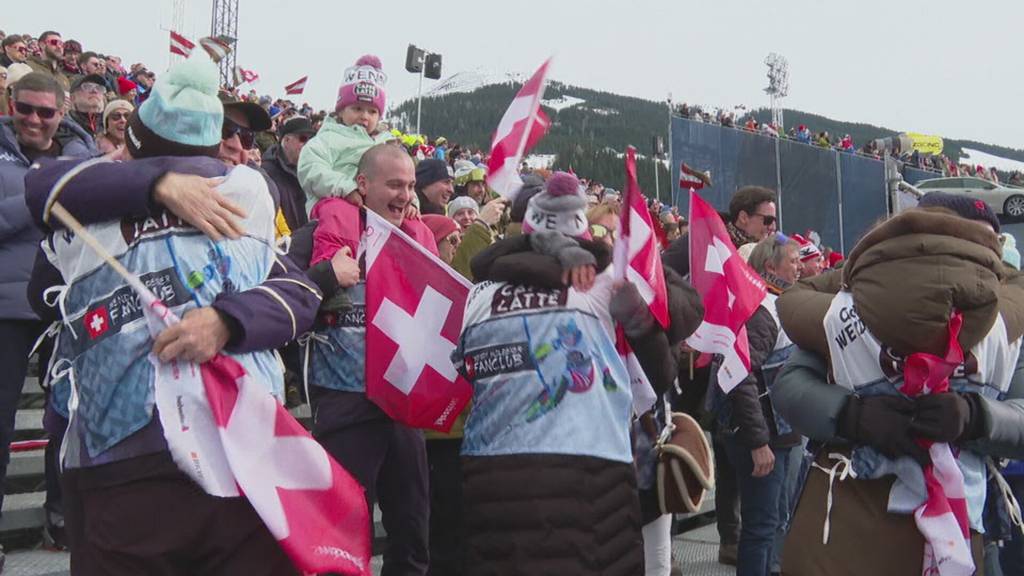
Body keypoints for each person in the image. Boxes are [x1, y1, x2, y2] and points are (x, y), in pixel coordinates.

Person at [24, 54, 321, 576]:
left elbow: (298, 292)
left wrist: (224, 321)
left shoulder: (80, 207)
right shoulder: (247, 192)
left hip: (149, 461)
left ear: (134, 141)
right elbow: (299, 292)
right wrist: (158, 183)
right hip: (199, 459)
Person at [455, 171, 693, 576]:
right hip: (590, 472)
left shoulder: (478, 294)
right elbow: (664, 367)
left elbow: (468, 370)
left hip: (492, 474)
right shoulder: (604, 285)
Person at [773, 194, 1024, 575]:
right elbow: (790, 386)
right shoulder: (847, 306)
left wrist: (977, 417)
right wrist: (850, 414)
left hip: (970, 522)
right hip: (852, 515)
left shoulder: (1006, 323)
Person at [302, 142, 434, 576]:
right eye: (394, 184)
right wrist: (324, 277)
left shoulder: (416, 237)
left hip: (402, 405)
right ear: (362, 183)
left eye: (410, 186)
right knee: (340, 538)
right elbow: (288, 297)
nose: (405, 195)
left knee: (412, 533)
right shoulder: (322, 231)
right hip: (345, 403)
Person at [0, 72, 95, 567]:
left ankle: (62, 519)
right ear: (10, 104)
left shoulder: (84, 158)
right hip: (8, 308)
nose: (34, 119)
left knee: (69, 420)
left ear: (62, 113)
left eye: (45, 112)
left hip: (66, 306)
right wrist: (49, 193)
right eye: (25, 109)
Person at [707, 234, 801, 576]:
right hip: (763, 438)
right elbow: (740, 375)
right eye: (793, 261)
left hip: (776, 434)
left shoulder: (774, 303)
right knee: (761, 527)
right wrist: (759, 442)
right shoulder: (763, 311)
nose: (799, 268)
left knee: (771, 522)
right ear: (770, 267)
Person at [297, 54, 393, 216]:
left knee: (425, 224)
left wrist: (410, 200)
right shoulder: (327, 139)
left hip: (375, 213)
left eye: (372, 112)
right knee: (339, 211)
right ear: (341, 111)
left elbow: (401, 177)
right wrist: (346, 188)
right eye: (357, 109)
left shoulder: (384, 145)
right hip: (334, 206)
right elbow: (310, 168)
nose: (365, 116)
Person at [263, 116, 316, 231]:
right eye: (303, 139)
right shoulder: (267, 171)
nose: (308, 144)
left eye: (311, 140)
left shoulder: (314, 169)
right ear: (286, 140)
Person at [67, 73, 107, 137]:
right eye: (87, 87)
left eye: (99, 88)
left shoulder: (109, 124)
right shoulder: (65, 125)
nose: (95, 91)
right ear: (72, 97)